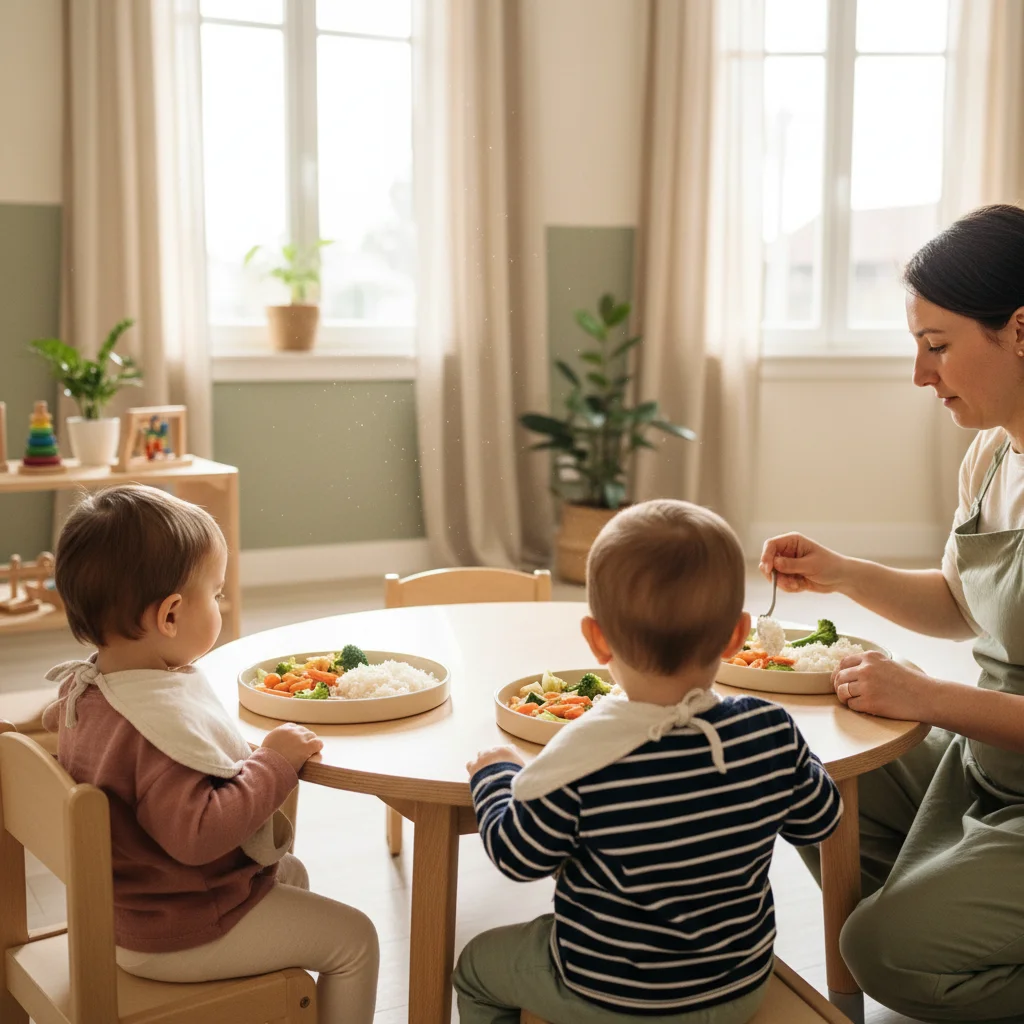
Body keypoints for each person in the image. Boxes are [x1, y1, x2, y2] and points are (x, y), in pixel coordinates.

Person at [759, 202, 1024, 1022]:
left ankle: (925, 921)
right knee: (797, 774)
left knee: (877, 951)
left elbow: (949, 672)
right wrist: (841, 573)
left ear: (1020, 330)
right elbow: (961, 605)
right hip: (989, 761)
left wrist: (929, 698)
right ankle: (942, 904)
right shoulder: (992, 454)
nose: (920, 374)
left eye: (937, 346)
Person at [454, 499, 842, 1024]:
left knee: (474, 968)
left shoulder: (583, 757)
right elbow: (819, 820)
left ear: (596, 639)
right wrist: (794, 750)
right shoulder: (769, 729)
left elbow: (517, 856)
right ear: (736, 635)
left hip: (613, 996)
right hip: (739, 985)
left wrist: (495, 775)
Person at [42, 484, 378, 1024]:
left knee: (288, 873)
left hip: (125, 912)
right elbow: (198, 836)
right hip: (179, 929)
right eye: (216, 594)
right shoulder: (155, 725)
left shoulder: (91, 691)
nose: (222, 604)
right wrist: (273, 762)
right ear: (171, 616)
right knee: (356, 938)